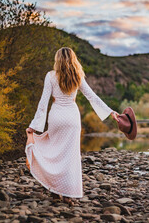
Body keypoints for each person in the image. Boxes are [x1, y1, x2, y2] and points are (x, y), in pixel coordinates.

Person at [24, 47, 119, 206]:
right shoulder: (78, 76)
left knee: (54, 150)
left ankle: (54, 191)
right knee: (70, 156)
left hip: (56, 117)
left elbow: (43, 103)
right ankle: (68, 195)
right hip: (72, 118)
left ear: (57, 60)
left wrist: (34, 126)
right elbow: (92, 97)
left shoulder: (51, 76)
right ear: (73, 59)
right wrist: (110, 112)